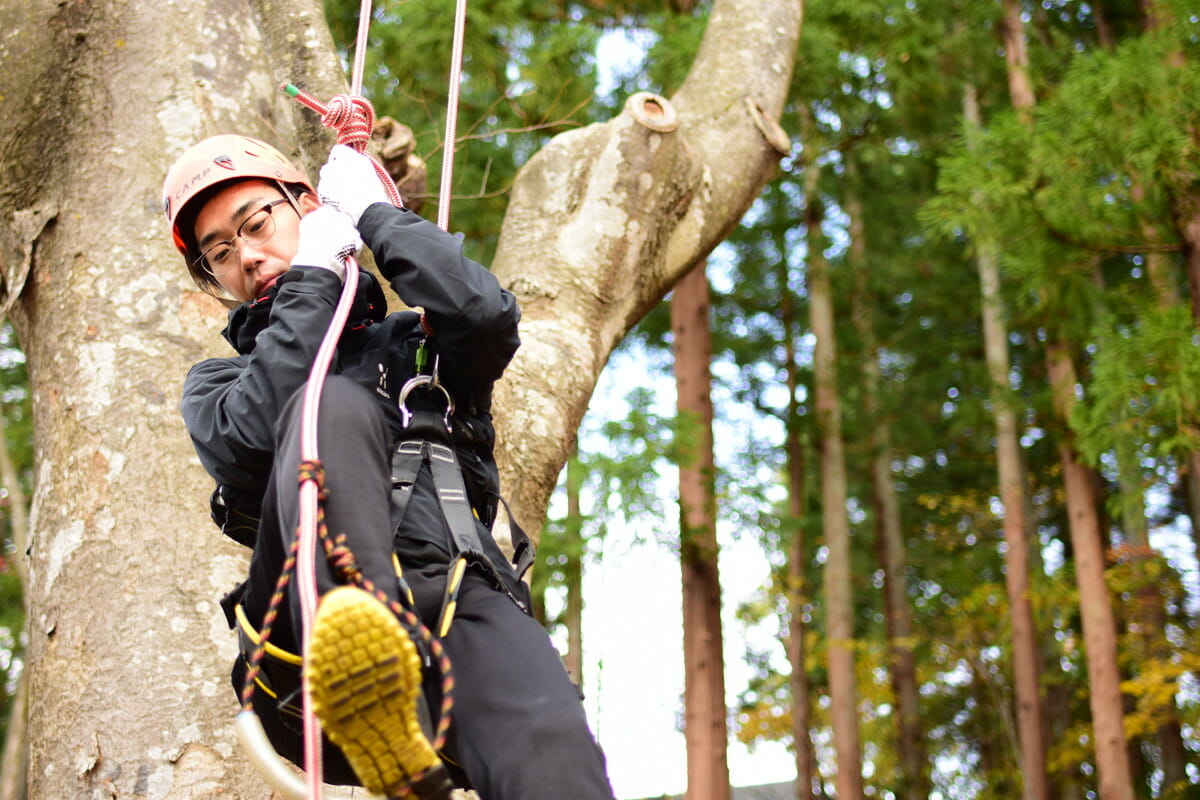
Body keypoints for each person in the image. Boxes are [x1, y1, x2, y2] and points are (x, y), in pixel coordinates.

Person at [162, 134, 615, 800]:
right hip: (304, 619)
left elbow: (486, 315)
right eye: (221, 254)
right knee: (331, 405)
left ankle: (407, 733)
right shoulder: (217, 385)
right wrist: (314, 277)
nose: (248, 256)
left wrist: (375, 216)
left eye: (256, 224)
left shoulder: (414, 344)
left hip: (453, 591)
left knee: (553, 749)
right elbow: (259, 432)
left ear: (308, 207)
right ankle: (378, 658)